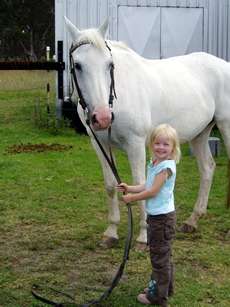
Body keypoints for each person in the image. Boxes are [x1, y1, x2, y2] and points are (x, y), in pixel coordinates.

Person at [117, 123, 181, 307]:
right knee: (163, 255)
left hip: (162, 219)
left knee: (159, 258)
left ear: (173, 148)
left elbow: (152, 192)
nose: (161, 147)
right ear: (151, 144)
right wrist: (130, 187)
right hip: (157, 217)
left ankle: (158, 298)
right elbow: (147, 184)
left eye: (166, 144)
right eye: (157, 143)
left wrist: (132, 198)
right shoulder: (155, 163)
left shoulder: (166, 168)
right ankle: (165, 288)